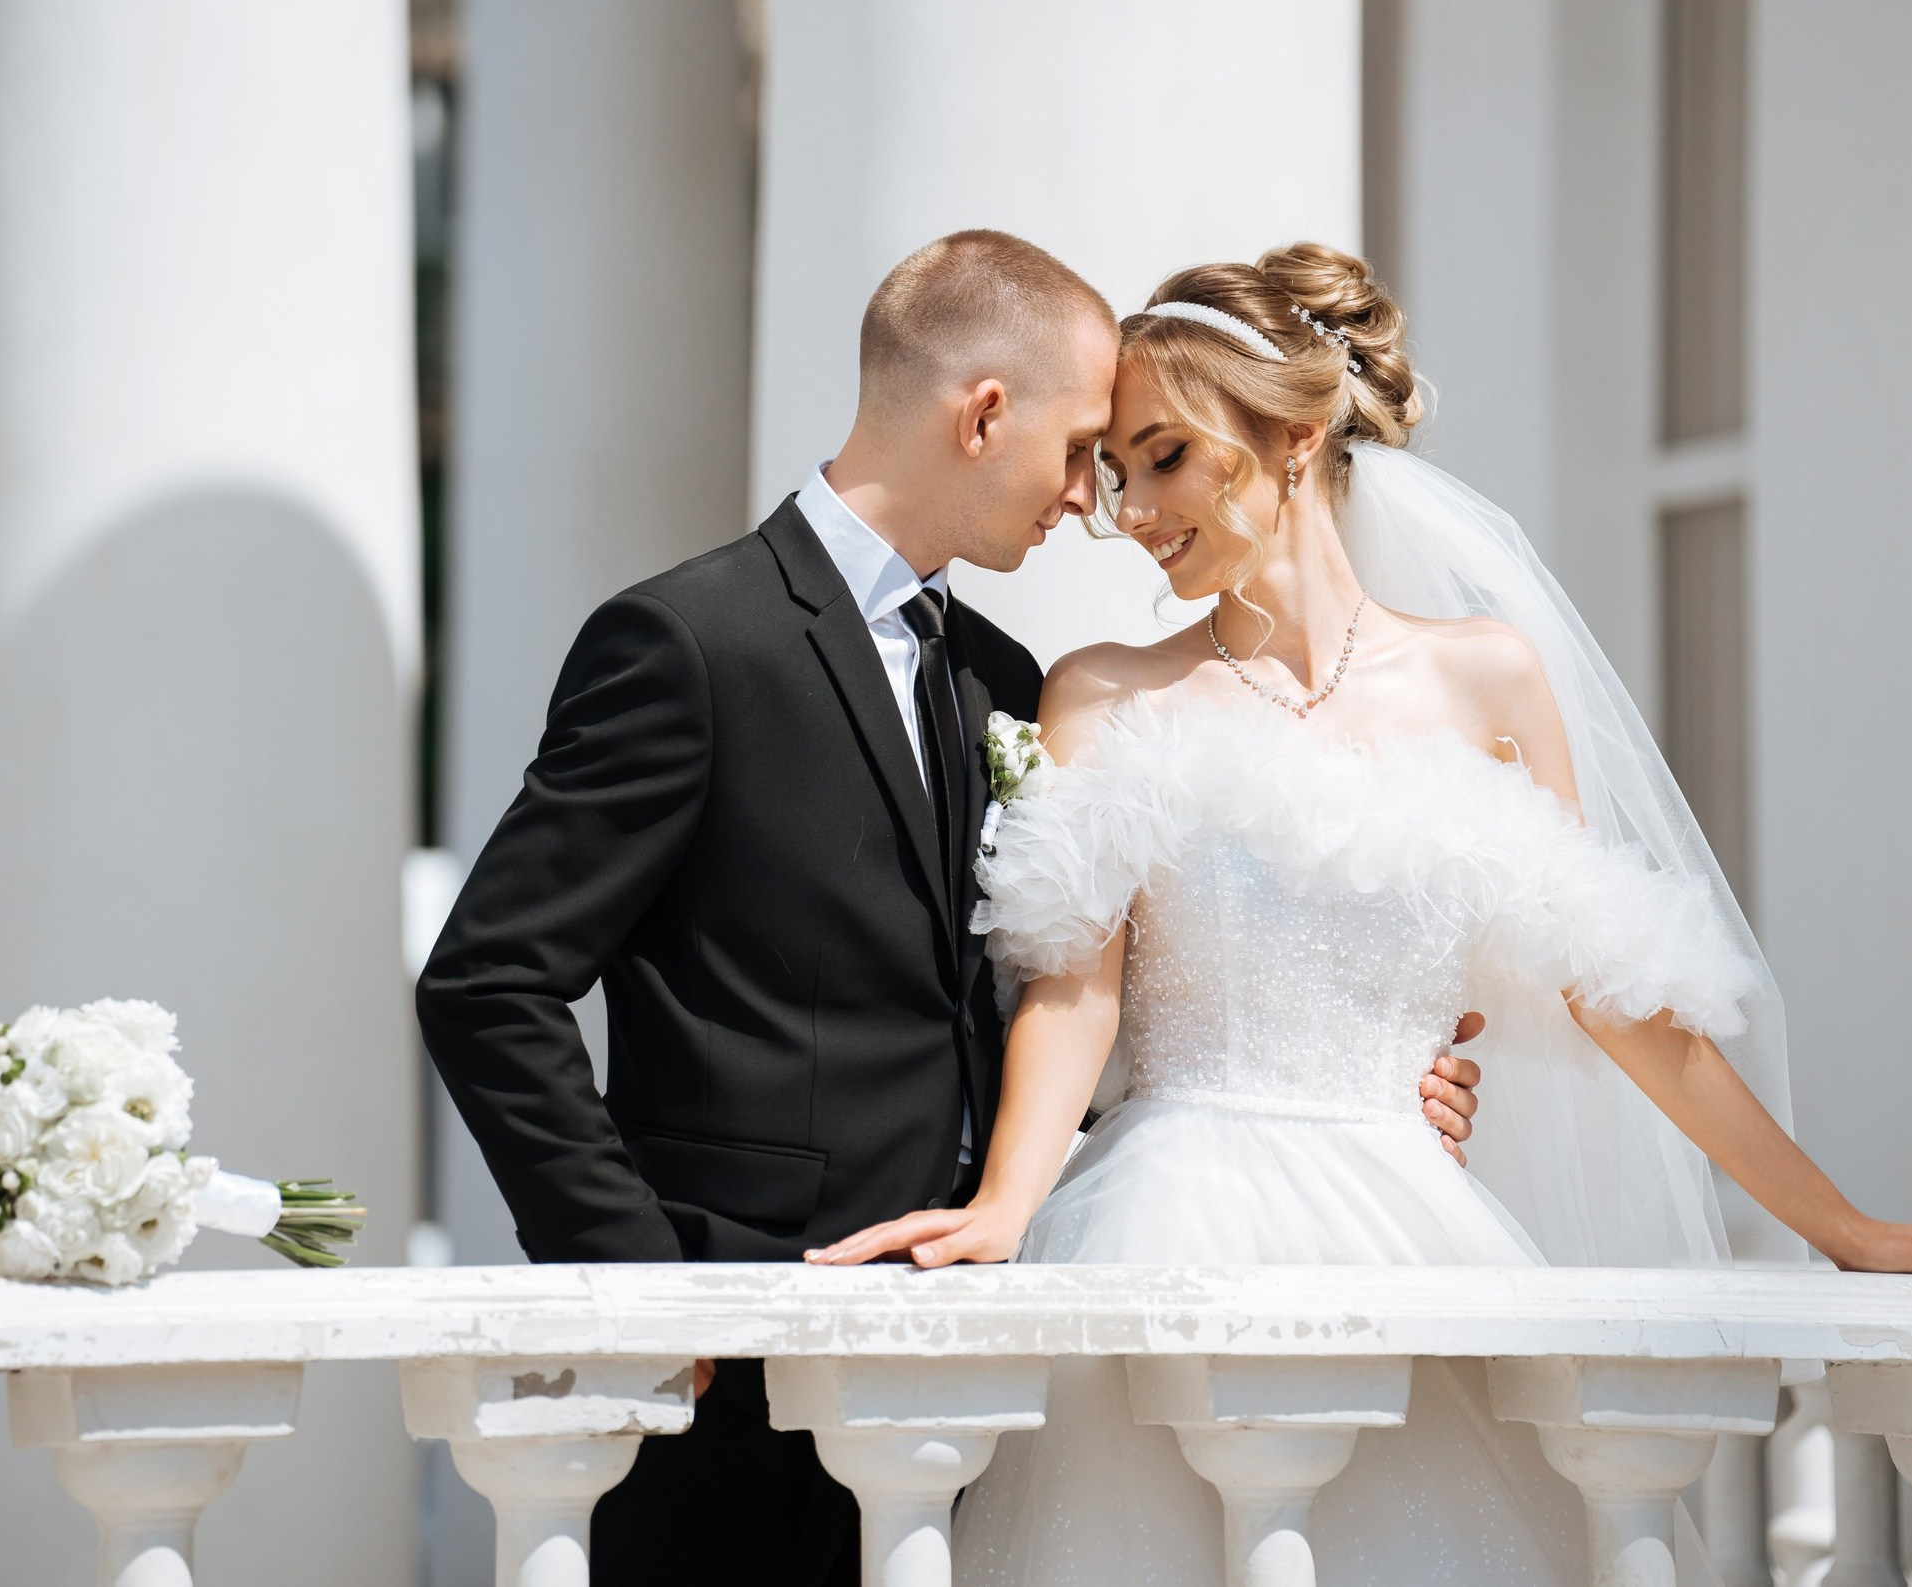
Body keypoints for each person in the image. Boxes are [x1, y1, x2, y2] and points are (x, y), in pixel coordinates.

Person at [808, 242, 1912, 1586]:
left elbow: (1616, 992)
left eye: (1166, 458)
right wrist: (1006, 1206)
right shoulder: (1102, 692)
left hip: (1409, 1231)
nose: (1132, 512)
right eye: (1117, 473)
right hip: (1165, 1222)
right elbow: (1077, 989)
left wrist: (1848, 1231)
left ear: (1295, 437)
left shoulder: (1489, 681)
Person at [415, 230, 1490, 1587]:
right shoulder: (691, 643)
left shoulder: (1006, 680)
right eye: (1083, 451)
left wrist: (1342, 1072)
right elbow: (487, 982)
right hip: (735, 1373)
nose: (1093, 502)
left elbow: (1062, 991)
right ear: (984, 416)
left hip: (982, 1368)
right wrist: (637, 1279)